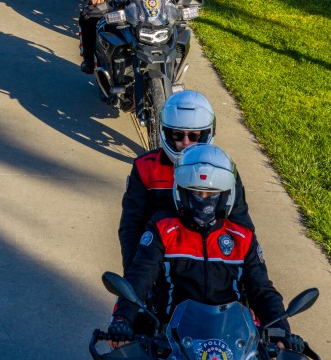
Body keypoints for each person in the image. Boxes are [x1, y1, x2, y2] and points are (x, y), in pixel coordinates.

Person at [105, 144, 300, 345]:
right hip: (170, 343)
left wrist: (281, 331)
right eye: (196, 193)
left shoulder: (242, 238)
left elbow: (262, 290)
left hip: (233, 345)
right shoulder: (162, 230)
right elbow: (140, 276)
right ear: (181, 193)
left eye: (211, 194)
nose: (204, 200)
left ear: (225, 196)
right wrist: (123, 319)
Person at [117, 91, 251, 268]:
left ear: (206, 133)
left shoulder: (223, 169)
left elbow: (241, 225)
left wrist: (250, 273)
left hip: (212, 263)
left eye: (194, 136)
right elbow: (132, 226)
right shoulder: (145, 168)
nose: (186, 143)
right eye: (177, 135)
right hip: (159, 262)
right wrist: (132, 273)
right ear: (165, 132)